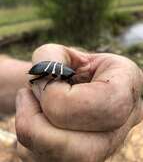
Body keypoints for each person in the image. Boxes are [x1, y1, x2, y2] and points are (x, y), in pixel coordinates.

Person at [0, 44, 143, 162]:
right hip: (44, 70)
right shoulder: (62, 74)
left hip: (44, 69)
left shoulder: (64, 72)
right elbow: (54, 79)